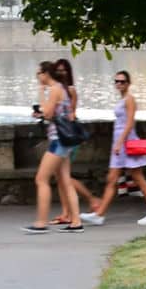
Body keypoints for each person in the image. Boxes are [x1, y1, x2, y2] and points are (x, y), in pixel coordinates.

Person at [23, 59, 97, 233]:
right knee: (65, 180)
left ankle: (41, 222)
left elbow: (49, 114)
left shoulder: (55, 89)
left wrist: (41, 93)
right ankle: (76, 222)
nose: (37, 77)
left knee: (41, 179)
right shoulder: (61, 88)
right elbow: (52, 113)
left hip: (58, 141)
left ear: (45, 74)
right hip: (64, 141)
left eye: (38, 73)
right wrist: (40, 113)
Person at [87, 69, 146, 226]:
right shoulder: (122, 100)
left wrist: (119, 142)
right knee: (112, 179)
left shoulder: (129, 99)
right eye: (116, 81)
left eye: (122, 81)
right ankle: (99, 215)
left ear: (128, 83)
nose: (119, 84)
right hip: (120, 145)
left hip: (126, 144)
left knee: (139, 178)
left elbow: (129, 123)